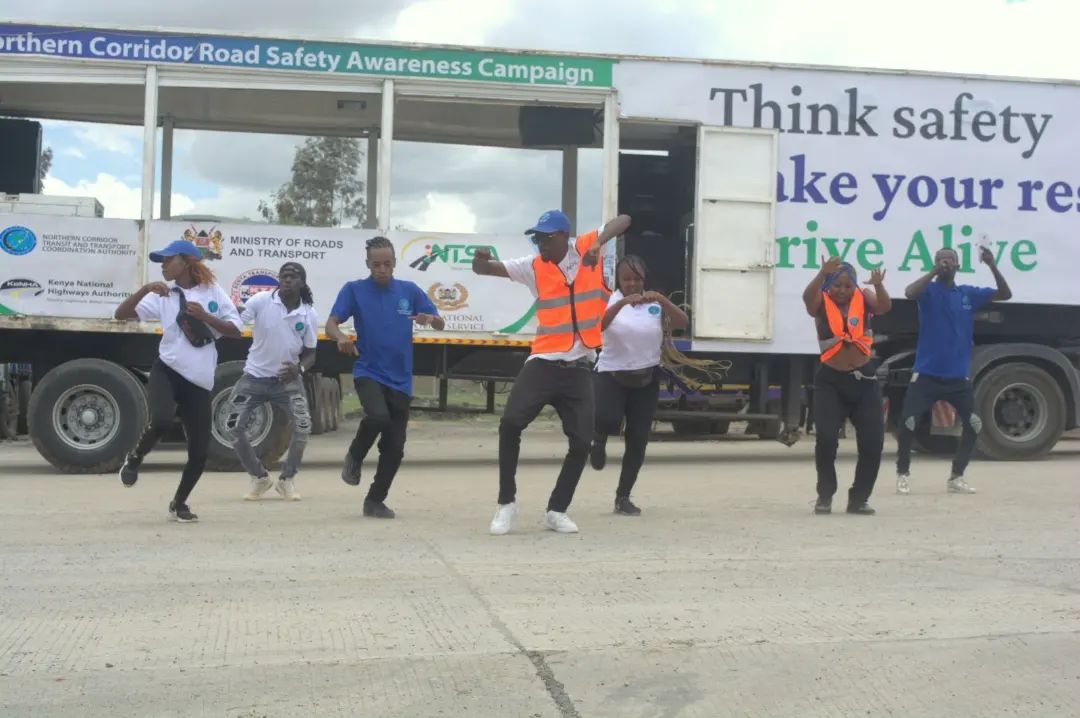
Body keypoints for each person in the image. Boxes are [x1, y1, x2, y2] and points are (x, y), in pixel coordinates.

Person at [473, 209, 631, 535]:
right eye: (536, 238)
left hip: (580, 367)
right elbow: (485, 269)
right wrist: (480, 258)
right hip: (544, 361)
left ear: (563, 236)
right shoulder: (532, 266)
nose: (539, 243)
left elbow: (624, 220)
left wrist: (598, 244)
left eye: (544, 237)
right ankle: (507, 504)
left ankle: (557, 509)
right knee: (510, 423)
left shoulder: (586, 246)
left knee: (581, 442)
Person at [114, 239, 243, 523]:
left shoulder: (213, 292)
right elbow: (120, 314)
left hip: (199, 380)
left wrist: (207, 316)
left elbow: (236, 330)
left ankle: (179, 503)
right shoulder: (163, 294)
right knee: (160, 420)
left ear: (186, 262)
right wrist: (144, 290)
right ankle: (135, 458)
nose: (163, 266)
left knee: (200, 452)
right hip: (167, 369)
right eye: (161, 261)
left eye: (167, 260)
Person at [326, 236, 445, 519]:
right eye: (376, 264)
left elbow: (439, 322)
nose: (382, 269)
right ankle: (355, 455)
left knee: (395, 448)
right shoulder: (354, 290)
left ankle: (375, 501)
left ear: (394, 263)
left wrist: (431, 319)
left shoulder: (409, 290)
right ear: (368, 264)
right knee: (378, 417)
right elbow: (332, 323)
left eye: (387, 264)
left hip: (401, 379)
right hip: (368, 370)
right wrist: (341, 337)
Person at [895, 246, 1012, 495]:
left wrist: (992, 265)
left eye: (950, 259)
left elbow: (1005, 294)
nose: (946, 262)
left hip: (957, 377)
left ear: (958, 265)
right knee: (908, 422)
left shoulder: (967, 293)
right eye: (940, 259)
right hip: (926, 374)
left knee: (974, 424)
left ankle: (956, 477)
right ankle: (903, 474)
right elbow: (909, 292)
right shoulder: (928, 291)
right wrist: (933, 271)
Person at [589, 255, 688, 516]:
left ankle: (623, 497)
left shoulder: (654, 305)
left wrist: (663, 300)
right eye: (627, 279)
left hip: (646, 378)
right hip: (612, 374)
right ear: (618, 281)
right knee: (607, 418)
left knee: (638, 440)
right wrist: (622, 303)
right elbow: (597, 326)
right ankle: (597, 440)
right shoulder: (609, 300)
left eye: (637, 279)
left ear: (644, 280)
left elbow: (682, 323)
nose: (632, 284)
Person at [802, 257, 892, 516]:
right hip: (831, 380)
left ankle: (859, 498)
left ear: (854, 285)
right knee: (827, 439)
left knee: (873, 443)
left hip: (864, 380)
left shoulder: (864, 298)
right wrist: (821, 274)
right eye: (836, 285)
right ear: (829, 285)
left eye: (846, 285)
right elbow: (807, 299)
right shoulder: (820, 301)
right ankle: (825, 495)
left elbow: (884, 307)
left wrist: (878, 286)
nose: (841, 290)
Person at [229, 262, 317, 502]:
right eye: (284, 276)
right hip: (254, 378)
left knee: (303, 427)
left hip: (287, 382)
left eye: (293, 276)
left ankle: (287, 480)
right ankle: (259, 477)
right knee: (232, 426)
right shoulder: (261, 301)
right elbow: (236, 322)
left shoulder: (308, 313)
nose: (287, 279)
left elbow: (311, 353)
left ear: (302, 283)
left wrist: (298, 368)